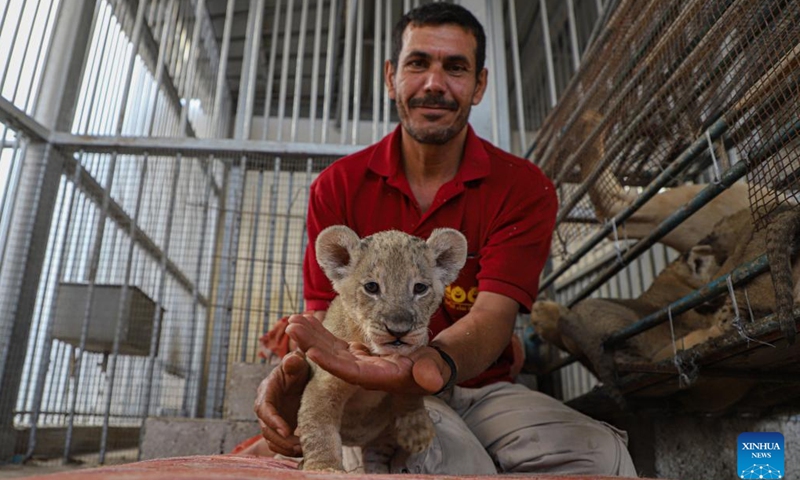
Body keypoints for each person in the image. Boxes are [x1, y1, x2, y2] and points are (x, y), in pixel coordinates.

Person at [251, 3, 637, 476]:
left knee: (603, 455)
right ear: (391, 76)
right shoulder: (337, 185)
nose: (435, 83)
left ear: (480, 85)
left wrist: (425, 369)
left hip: (473, 381)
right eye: (418, 63)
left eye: (455, 67)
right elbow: (321, 318)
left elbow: (493, 317)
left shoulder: (523, 186)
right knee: (452, 463)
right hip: (370, 388)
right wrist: (298, 376)